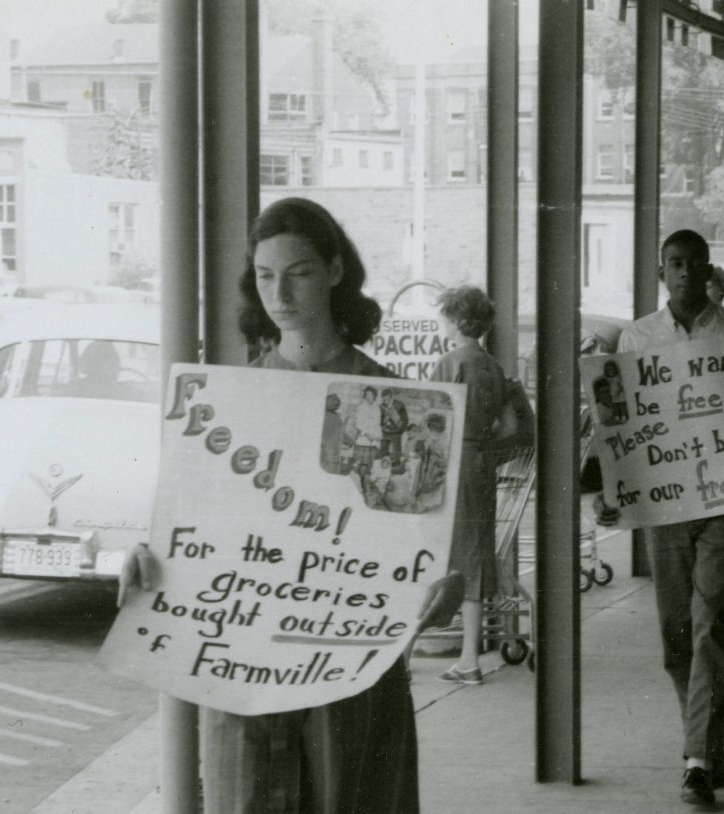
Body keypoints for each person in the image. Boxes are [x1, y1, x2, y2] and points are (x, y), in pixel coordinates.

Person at [113, 197, 462, 814]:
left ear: (333, 271)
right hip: (242, 670)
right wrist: (148, 560)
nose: (281, 292)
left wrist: (444, 585)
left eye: (298, 271)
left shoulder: (394, 405)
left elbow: (417, 546)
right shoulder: (225, 403)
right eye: (266, 275)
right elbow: (192, 528)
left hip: (348, 669)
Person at [594, 229, 724, 806]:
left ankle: (694, 759)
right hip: (665, 505)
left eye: (694, 264)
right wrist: (609, 486)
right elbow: (620, 426)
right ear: (661, 272)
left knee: (712, 620)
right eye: (675, 264)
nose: (685, 273)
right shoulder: (637, 338)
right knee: (676, 637)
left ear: (709, 269)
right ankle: (707, 742)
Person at [428, 285, 513, 686]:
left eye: (444, 314)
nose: (441, 321)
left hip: (451, 463)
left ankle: (428, 652)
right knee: (475, 555)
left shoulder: (450, 363)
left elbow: (430, 419)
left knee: (440, 554)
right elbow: (508, 424)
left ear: (457, 319)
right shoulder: (492, 366)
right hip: (481, 462)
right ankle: (468, 658)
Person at [352, 386, 383, 476]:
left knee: (369, 462)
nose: (369, 396)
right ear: (365, 396)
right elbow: (358, 423)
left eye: (371, 394)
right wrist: (366, 433)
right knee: (359, 461)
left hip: (373, 439)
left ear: (374, 396)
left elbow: (377, 423)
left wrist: (375, 436)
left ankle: (365, 479)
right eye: (367, 395)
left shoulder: (377, 407)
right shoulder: (361, 407)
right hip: (363, 437)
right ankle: (357, 478)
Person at [379, 388, 409, 469]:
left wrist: (400, 431)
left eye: (388, 400)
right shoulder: (381, 406)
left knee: (396, 451)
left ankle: (396, 466)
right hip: (385, 431)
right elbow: (379, 420)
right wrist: (383, 421)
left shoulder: (400, 405)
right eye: (384, 400)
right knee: (383, 450)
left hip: (396, 432)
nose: (386, 402)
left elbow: (405, 420)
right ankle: (383, 466)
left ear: (391, 397)